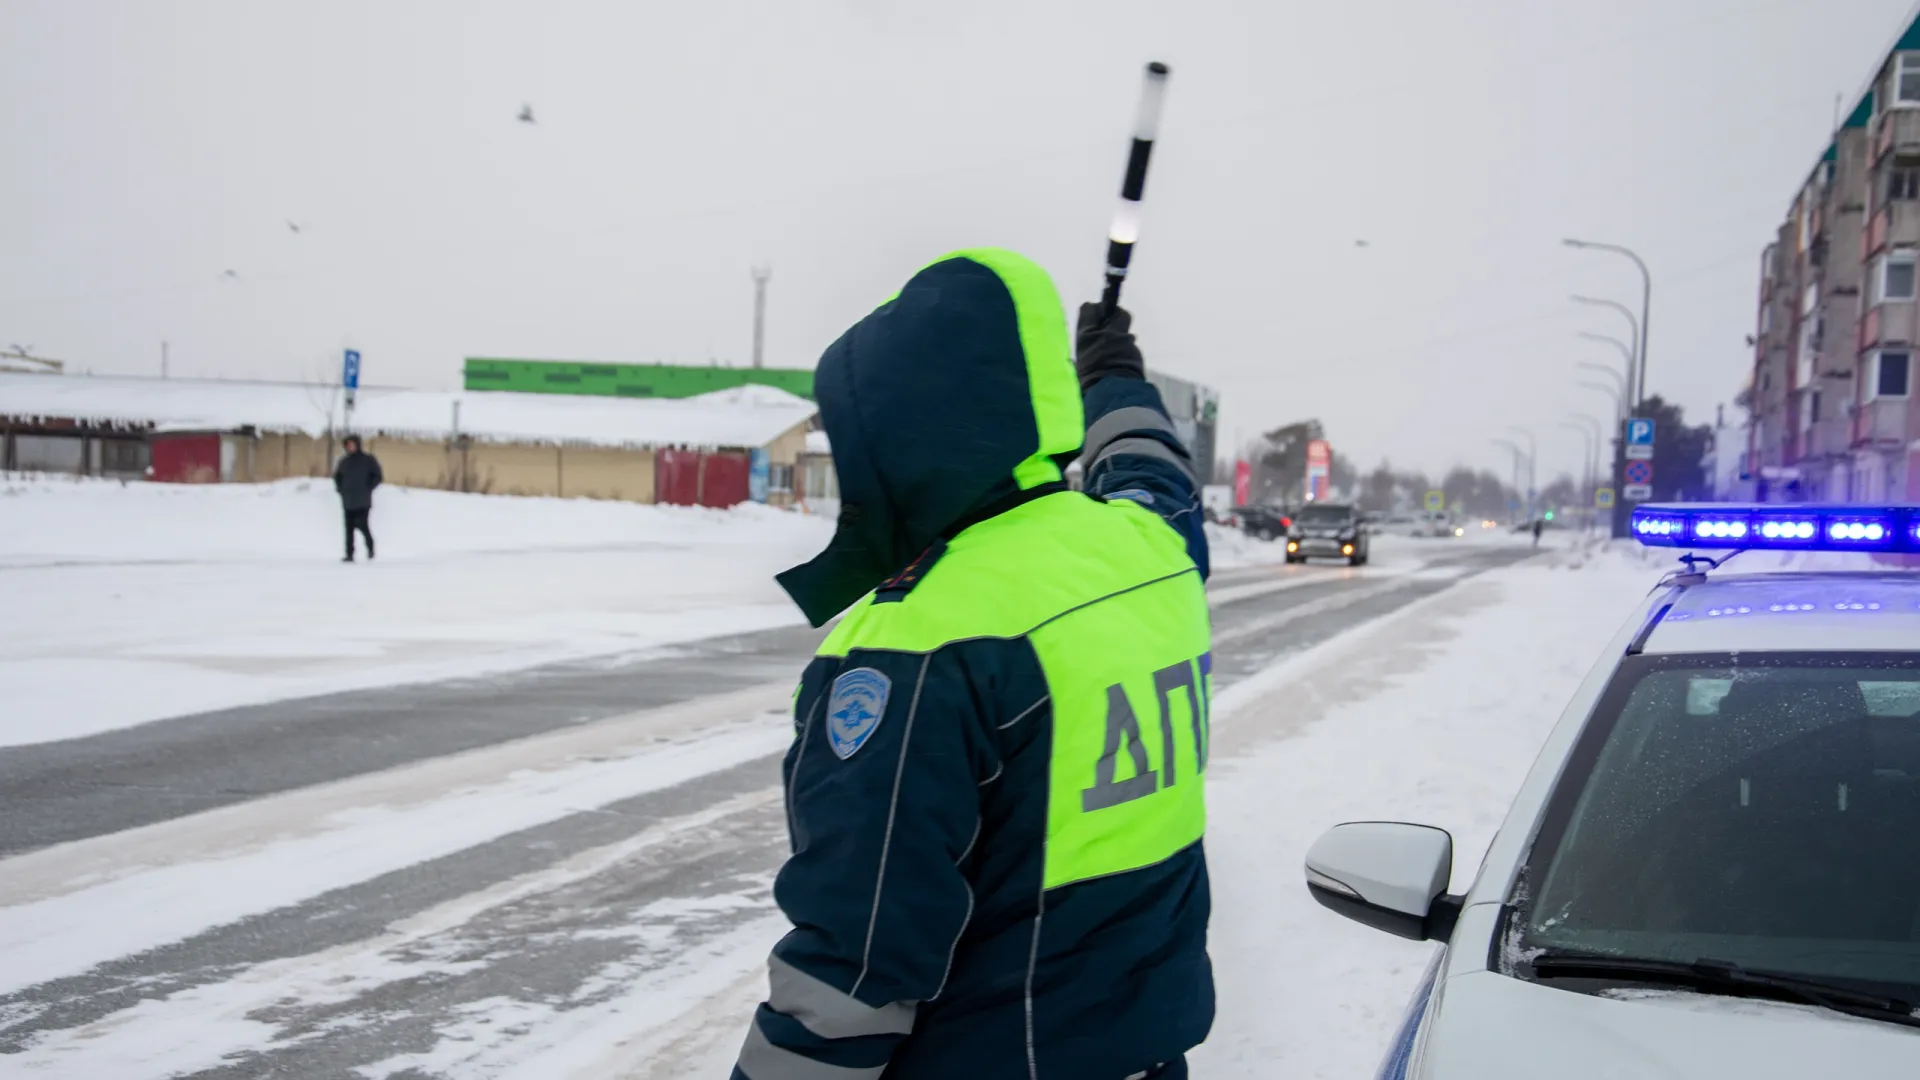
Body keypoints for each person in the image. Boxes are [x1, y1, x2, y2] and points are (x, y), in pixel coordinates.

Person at [733, 249, 1212, 1080]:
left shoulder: (913, 645)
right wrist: (1112, 375)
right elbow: (1152, 470)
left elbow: (854, 965)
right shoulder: (1150, 551)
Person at [333, 435, 383, 562]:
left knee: (362, 525)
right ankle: (349, 554)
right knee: (349, 528)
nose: (350, 447)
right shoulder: (344, 461)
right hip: (348, 500)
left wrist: (368, 488)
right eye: (348, 445)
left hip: (363, 500)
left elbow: (377, 476)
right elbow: (337, 477)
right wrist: (341, 489)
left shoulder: (368, 460)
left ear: (358, 445)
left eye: (352, 444)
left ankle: (370, 547)